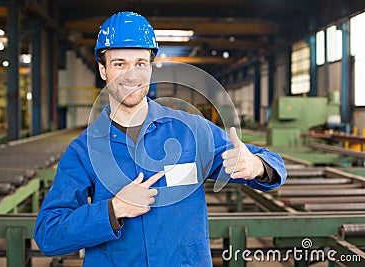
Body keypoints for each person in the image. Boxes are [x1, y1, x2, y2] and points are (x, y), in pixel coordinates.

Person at [34, 11, 286, 266]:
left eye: (140, 63)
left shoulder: (191, 131)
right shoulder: (84, 150)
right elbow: (49, 234)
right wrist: (112, 210)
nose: (131, 75)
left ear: (151, 68)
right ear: (103, 70)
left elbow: (274, 166)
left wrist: (256, 166)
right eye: (119, 64)